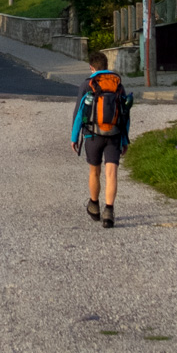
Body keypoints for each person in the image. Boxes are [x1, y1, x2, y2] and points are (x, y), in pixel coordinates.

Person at [70, 50, 131, 229]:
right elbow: (125, 113)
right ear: (106, 66)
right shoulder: (117, 83)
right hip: (114, 135)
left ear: (92, 67)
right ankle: (109, 211)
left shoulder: (88, 84)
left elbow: (79, 112)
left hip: (92, 135)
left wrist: (74, 137)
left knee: (94, 172)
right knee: (111, 173)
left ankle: (94, 205)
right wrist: (125, 139)